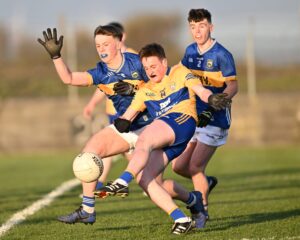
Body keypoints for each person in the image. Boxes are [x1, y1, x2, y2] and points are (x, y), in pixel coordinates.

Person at [97, 43, 231, 234]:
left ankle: (121, 181)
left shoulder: (179, 72)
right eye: (146, 68)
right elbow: (126, 117)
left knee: (145, 139)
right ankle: (186, 212)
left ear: (164, 62)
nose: (150, 71)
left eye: (153, 66)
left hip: (182, 122)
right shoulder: (145, 90)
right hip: (168, 137)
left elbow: (200, 90)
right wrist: (121, 119)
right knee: (146, 179)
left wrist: (210, 99)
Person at [37, 24, 153, 225]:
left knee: (157, 183)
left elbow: (161, 83)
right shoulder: (100, 72)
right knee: (89, 153)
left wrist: (135, 88)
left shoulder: (137, 62)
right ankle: (88, 209)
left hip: (153, 126)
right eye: (98, 45)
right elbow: (69, 78)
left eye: (105, 44)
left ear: (118, 43)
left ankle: (192, 200)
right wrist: (56, 57)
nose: (101, 49)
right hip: (126, 128)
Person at [170, 8, 238, 219]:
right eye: (193, 27)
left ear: (211, 27)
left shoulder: (222, 54)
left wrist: (216, 104)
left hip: (215, 118)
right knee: (179, 166)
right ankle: (206, 184)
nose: (197, 31)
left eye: (201, 26)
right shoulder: (190, 51)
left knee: (195, 166)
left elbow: (233, 86)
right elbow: (177, 71)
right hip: (194, 117)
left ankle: (202, 212)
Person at [82, 22, 137, 191]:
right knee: (111, 150)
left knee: (131, 150)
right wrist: (92, 103)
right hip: (113, 112)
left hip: (133, 114)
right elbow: (103, 86)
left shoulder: (133, 57)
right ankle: (101, 183)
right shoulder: (107, 62)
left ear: (121, 37)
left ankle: (145, 180)